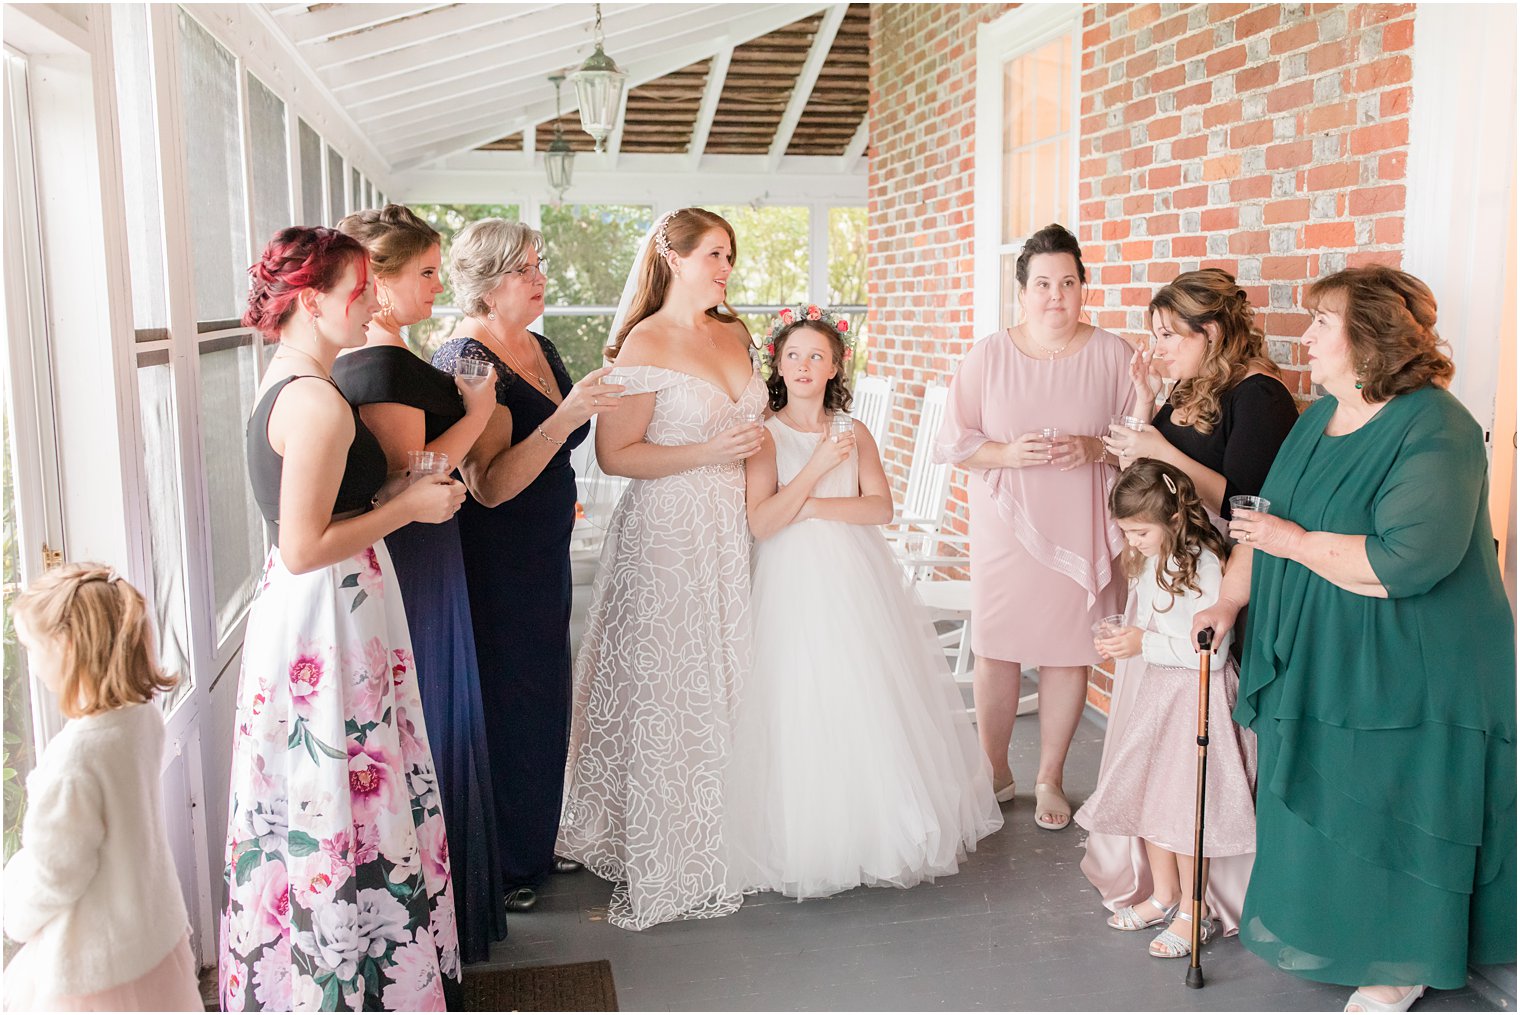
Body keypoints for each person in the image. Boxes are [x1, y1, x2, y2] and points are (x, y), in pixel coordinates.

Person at [1192, 266, 1515, 1012]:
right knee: (1338, 802)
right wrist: (1231, 599)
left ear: (1368, 336)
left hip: (1413, 662)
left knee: (1393, 801)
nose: (1304, 337)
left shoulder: (1439, 426)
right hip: (1324, 655)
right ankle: (1347, 931)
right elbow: (1260, 519)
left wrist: (1291, 540)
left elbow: (1405, 561)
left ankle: (1402, 960)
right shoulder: (1316, 417)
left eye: (1321, 324)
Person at [222, 226, 465, 1011]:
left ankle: (339, 974)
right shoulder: (318, 402)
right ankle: (355, 983)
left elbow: (321, 515)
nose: (369, 306)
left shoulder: (289, 380)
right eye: (357, 291)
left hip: (322, 607)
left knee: (329, 788)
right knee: (340, 784)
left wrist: (399, 496)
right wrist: (412, 508)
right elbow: (304, 545)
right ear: (309, 298)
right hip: (326, 615)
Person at [725, 307, 1003, 899]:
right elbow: (762, 521)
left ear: (834, 367)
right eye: (794, 355)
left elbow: (880, 508)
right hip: (790, 583)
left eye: (817, 357)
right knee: (801, 698)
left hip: (856, 578)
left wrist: (819, 506)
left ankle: (878, 827)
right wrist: (817, 473)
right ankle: (810, 836)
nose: (804, 366)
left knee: (864, 690)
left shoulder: (853, 430)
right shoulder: (764, 435)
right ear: (778, 362)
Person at [557, 207, 766, 930]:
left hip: (733, 528)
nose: (725, 269)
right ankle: (664, 843)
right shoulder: (645, 340)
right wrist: (710, 455)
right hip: (669, 531)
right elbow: (618, 456)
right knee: (671, 681)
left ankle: (731, 830)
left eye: (730, 257)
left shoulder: (735, 331)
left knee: (727, 673)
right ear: (672, 258)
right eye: (713, 254)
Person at [332, 205, 507, 963]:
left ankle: (453, 903)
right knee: (435, 709)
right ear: (381, 280)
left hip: (433, 547)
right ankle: (440, 914)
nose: (440, 286)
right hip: (416, 551)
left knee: (445, 705)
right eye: (428, 273)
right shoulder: (380, 362)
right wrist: (479, 413)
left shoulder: (396, 353)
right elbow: (413, 470)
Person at [431, 219, 620, 914]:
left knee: (544, 689)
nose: (541, 280)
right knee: (510, 696)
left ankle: (536, 844)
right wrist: (567, 411)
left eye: (540, 266)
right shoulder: (466, 359)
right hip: (499, 553)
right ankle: (503, 860)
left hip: (544, 544)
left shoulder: (535, 343)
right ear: (486, 284)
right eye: (525, 270)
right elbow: (489, 484)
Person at [933, 222, 1135, 831]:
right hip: (1005, 527)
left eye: (1067, 282)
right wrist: (1004, 455)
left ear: (1083, 288)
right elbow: (955, 442)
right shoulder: (989, 355)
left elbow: (1139, 443)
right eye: (1043, 283)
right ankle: (995, 768)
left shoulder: (1114, 356)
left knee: (1069, 653)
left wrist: (1095, 448)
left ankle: (1050, 776)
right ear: (1022, 291)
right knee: (997, 647)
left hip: (1081, 523)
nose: (1056, 295)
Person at [1074, 460, 1257, 957]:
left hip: (1197, 700)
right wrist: (1130, 642)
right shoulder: (1154, 559)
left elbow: (1212, 654)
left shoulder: (1205, 565)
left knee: (1186, 811)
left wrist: (1143, 644)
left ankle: (1194, 913)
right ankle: (1163, 894)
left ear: (1175, 519)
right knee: (1153, 799)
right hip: (1161, 696)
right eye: (1126, 531)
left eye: (1139, 531)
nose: (1131, 541)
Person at [3, 564, 202, 1012]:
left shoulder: (74, 759)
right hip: (152, 938)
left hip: (98, 972)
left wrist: (12, 904)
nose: (31, 665)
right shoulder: (138, 718)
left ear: (66, 647)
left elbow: (55, 873)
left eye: (33, 649)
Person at [1102, 269, 1299, 527]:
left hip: (1222, 556)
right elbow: (1134, 471)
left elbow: (1241, 506)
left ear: (1210, 332)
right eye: (1157, 337)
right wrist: (1145, 399)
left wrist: (1161, 451)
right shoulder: (1189, 383)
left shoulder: (1261, 396)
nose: (1159, 349)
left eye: (1167, 335)